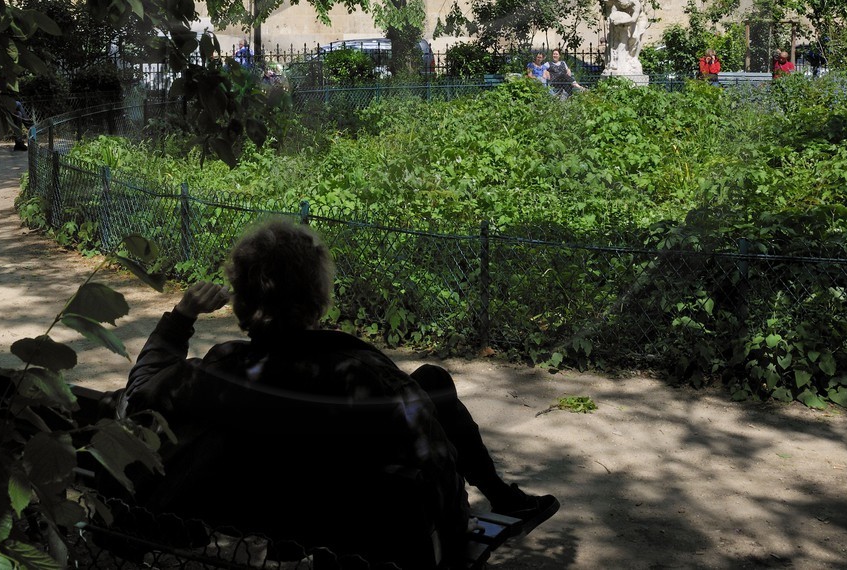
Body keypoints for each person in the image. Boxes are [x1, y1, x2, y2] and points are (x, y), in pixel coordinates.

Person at [125, 220, 558, 568]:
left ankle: (501, 493)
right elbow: (434, 471)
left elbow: (141, 391)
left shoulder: (221, 373)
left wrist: (182, 316)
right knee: (430, 382)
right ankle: (499, 494)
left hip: (285, 517)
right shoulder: (365, 376)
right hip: (373, 539)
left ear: (239, 300)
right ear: (319, 298)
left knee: (431, 379)